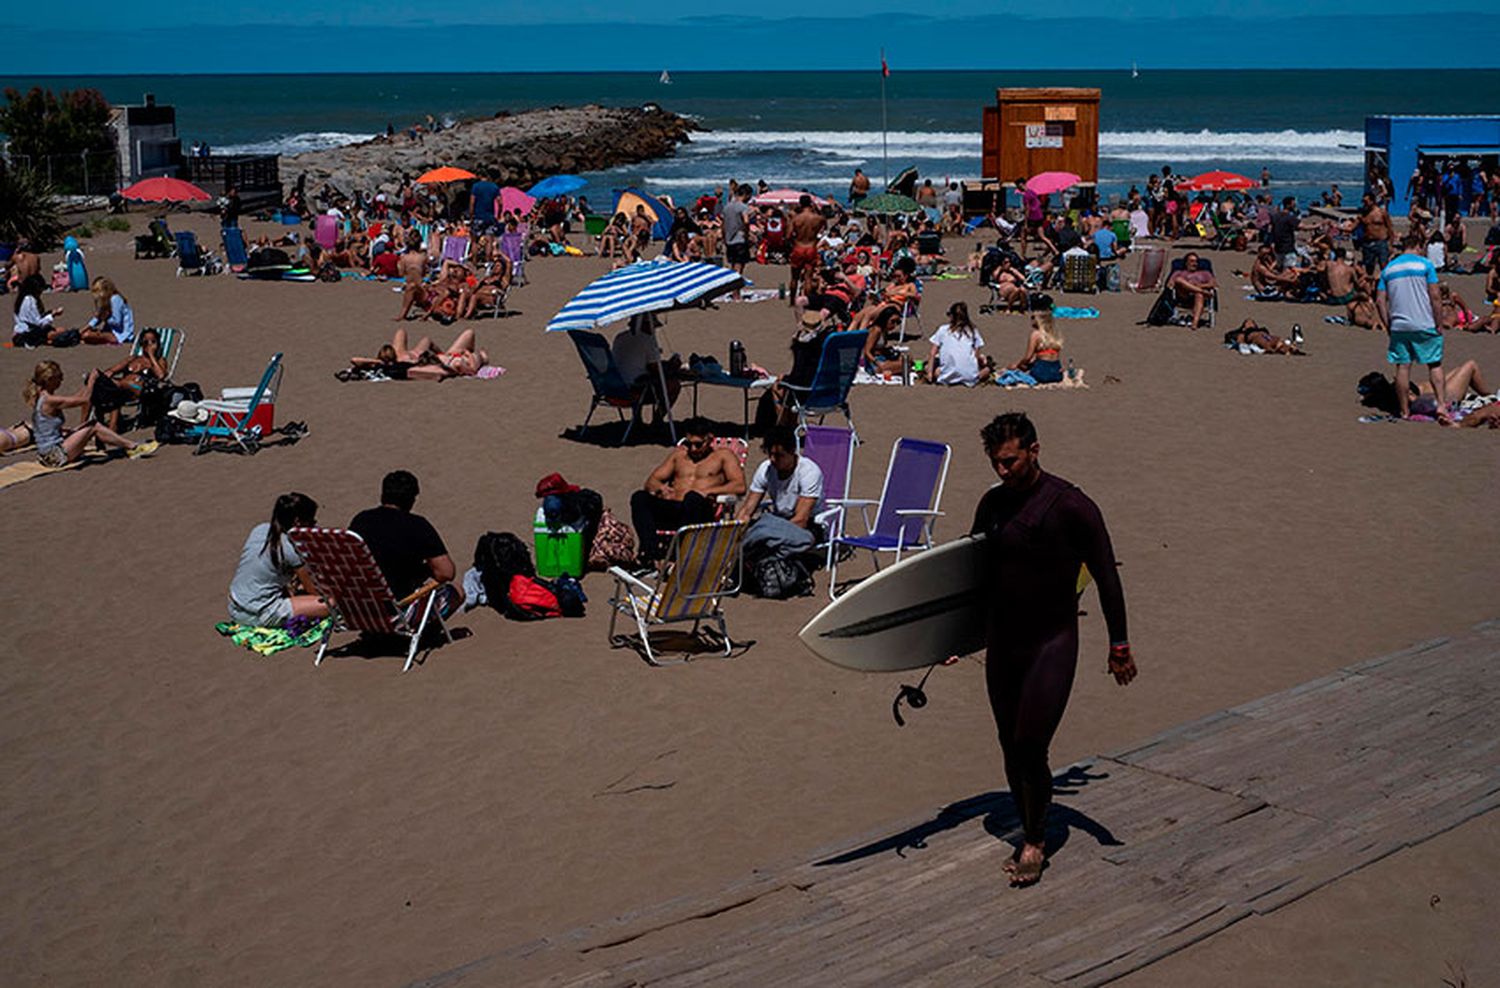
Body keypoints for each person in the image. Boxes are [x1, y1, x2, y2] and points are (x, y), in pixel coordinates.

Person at [968, 412, 1133, 887]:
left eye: (1011, 461)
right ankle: (1028, 823)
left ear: (1035, 451)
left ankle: (1035, 842)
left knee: (1030, 742)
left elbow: (1106, 575)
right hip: (1003, 640)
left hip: (1052, 640)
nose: (1003, 471)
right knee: (1007, 742)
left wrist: (1118, 643)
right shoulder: (992, 504)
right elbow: (970, 574)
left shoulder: (1071, 506)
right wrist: (952, 639)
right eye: (996, 463)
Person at [629, 417, 747, 563]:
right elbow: (651, 482)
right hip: (674, 508)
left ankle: (682, 552)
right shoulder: (679, 456)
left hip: (701, 511)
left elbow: (739, 486)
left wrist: (710, 491)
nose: (693, 449)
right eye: (689, 444)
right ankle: (649, 553)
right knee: (639, 497)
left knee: (692, 498)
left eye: (698, 445)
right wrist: (662, 488)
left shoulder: (723, 456)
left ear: (710, 439)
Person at [350, 470, 463, 615]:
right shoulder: (417, 525)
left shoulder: (361, 520)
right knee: (456, 591)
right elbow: (446, 573)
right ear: (411, 500)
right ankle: (425, 632)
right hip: (398, 608)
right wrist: (423, 571)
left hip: (361, 607)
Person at [1377, 232, 1450, 421]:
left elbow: (1380, 301)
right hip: (1424, 322)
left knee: (1403, 367)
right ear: (1418, 246)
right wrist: (1439, 322)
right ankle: (1441, 405)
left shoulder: (1388, 269)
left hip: (1400, 325)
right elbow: (1435, 296)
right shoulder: (1425, 265)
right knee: (1434, 363)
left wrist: (1388, 325)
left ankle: (1404, 410)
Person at [22, 361, 152, 467]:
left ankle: (129, 445)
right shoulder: (50, 400)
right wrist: (92, 381)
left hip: (47, 452)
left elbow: (47, 426)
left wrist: (89, 385)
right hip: (53, 456)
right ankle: (132, 446)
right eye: (59, 377)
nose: (61, 380)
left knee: (90, 426)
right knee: (93, 426)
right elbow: (84, 400)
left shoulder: (43, 397)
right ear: (49, 380)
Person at [226, 493, 329, 627]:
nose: (313, 525)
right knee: (331, 604)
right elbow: (314, 591)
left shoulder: (260, 530)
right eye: (311, 521)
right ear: (298, 522)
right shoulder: (291, 549)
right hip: (259, 614)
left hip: (235, 607)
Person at [735, 426, 824, 563]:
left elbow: (801, 520)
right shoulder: (766, 469)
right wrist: (735, 530)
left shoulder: (809, 472)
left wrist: (767, 532)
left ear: (792, 452)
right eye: (770, 454)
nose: (772, 459)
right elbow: (747, 510)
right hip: (777, 520)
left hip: (805, 527)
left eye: (779, 455)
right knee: (758, 529)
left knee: (764, 531)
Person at [85, 326, 169, 430]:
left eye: (153, 342)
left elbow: (161, 376)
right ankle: (85, 425)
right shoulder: (133, 359)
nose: (149, 345)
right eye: (145, 342)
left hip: (138, 390)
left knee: (109, 385)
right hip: (119, 389)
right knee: (95, 387)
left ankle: (108, 426)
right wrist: (104, 377)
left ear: (158, 344)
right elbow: (111, 371)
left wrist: (152, 356)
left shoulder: (160, 361)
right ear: (141, 344)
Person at [350, 327, 489, 380]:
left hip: (448, 356)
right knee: (480, 352)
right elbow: (471, 371)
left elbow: (354, 360)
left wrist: (378, 362)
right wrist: (469, 355)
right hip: (455, 358)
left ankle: (469, 354)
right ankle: (479, 356)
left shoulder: (403, 359)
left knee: (470, 333)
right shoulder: (456, 365)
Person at [926, 302, 992, 386]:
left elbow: (932, 353)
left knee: (936, 369)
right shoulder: (973, 331)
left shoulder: (943, 330)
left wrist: (930, 374)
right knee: (987, 367)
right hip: (969, 376)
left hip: (947, 377)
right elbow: (975, 355)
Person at [1009, 309, 1067, 382]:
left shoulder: (1035, 334)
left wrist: (1017, 366)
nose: (1031, 320)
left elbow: (1027, 358)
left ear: (1039, 321)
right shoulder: (1054, 335)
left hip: (1041, 372)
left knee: (1016, 368)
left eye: (1033, 318)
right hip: (1056, 373)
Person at [788, 194, 825, 307]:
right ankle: (807, 302)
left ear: (800, 204)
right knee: (808, 277)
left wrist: (793, 243)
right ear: (810, 204)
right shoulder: (818, 218)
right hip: (811, 247)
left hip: (799, 247)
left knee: (794, 277)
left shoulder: (796, 218)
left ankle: (792, 301)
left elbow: (788, 235)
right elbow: (823, 228)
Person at [11, 274, 66, 347]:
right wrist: (53, 314)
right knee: (61, 331)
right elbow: (38, 323)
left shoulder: (22, 299)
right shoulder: (30, 301)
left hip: (22, 331)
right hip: (28, 333)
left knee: (57, 331)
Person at [78, 277, 134, 345]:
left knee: (87, 335)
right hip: (110, 330)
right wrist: (83, 329)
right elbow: (96, 319)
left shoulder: (115, 299)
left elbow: (117, 322)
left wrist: (105, 317)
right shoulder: (106, 301)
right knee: (85, 334)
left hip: (120, 334)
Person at [722, 184, 754, 288]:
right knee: (739, 266)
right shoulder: (743, 207)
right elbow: (746, 221)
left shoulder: (727, 207)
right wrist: (747, 234)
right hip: (739, 239)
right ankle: (736, 292)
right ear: (746, 194)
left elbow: (723, 225)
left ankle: (732, 289)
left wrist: (724, 238)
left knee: (733, 266)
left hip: (729, 239)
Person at [394, 232, 430, 321]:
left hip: (413, 288)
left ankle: (402, 314)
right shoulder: (423, 256)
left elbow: (401, 273)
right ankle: (403, 314)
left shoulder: (404, 257)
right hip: (421, 289)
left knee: (411, 286)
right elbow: (425, 273)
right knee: (412, 286)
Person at [1223, 318, 1306, 355]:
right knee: (1267, 342)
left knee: (1278, 341)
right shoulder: (1243, 334)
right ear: (1243, 327)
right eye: (1248, 322)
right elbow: (1239, 341)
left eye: (1253, 322)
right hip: (1260, 339)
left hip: (1267, 337)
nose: (1251, 323)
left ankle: (1290, 348)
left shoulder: (1261, 329)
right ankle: (1287, 348)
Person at [1359, 193, 1393, 274]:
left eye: (1366, 201)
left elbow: (1390, 227)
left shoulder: (1382, 212)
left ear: (1372, 201)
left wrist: (1391, 244)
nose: (1364, 203)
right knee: (1369, 267)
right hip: (1368, 243)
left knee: (1384, 265)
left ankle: (1385, 284)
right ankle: (1371, 285)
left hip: (1381, 242)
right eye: (1363, 201)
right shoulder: (1364, 213)